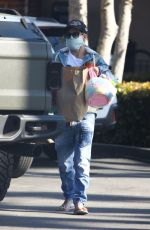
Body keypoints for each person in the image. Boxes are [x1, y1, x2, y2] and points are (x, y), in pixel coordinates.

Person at [54, 19, 116, 215]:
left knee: (82, 160)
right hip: (63, 114)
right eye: (69, 34)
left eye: (76, 33)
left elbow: (110, 79)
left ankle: (80, 201)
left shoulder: (95, 58)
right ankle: (69, 197)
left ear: (84, 36)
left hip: (87, 113)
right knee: (65, 162)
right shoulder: (59, 56)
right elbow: (50, 81)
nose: (71, 37)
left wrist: (101, 76)